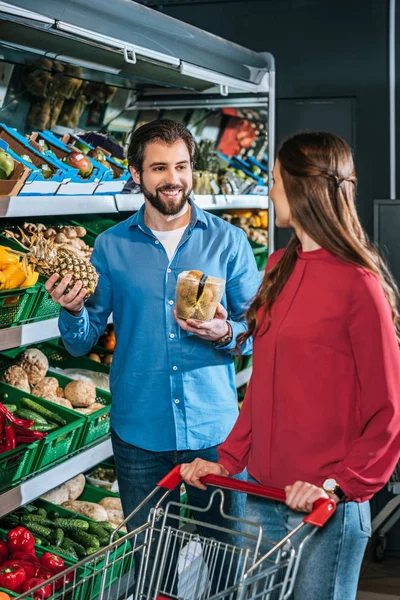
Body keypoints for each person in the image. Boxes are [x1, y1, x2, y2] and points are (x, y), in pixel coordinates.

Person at [181, 132, 400, 600]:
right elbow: (264, 387)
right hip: (263, 497)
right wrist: (227, 458)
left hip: (322, 506)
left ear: (303, 187)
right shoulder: (279, 265)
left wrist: (337, 486)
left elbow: (389, 411)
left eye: (276, 179)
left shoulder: (359, 285)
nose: (270, 190)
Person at [45, 119, 260, 547]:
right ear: (136, 173)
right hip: (139, 434)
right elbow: (80, 342)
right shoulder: (110, 245)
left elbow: (258, 334)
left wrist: (223, 330)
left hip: (214, 434)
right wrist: (71, 309)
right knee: (151, 563)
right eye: (159, 168)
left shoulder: (228, 241)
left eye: (181, 166)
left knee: (227, 565)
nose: (173, 179)